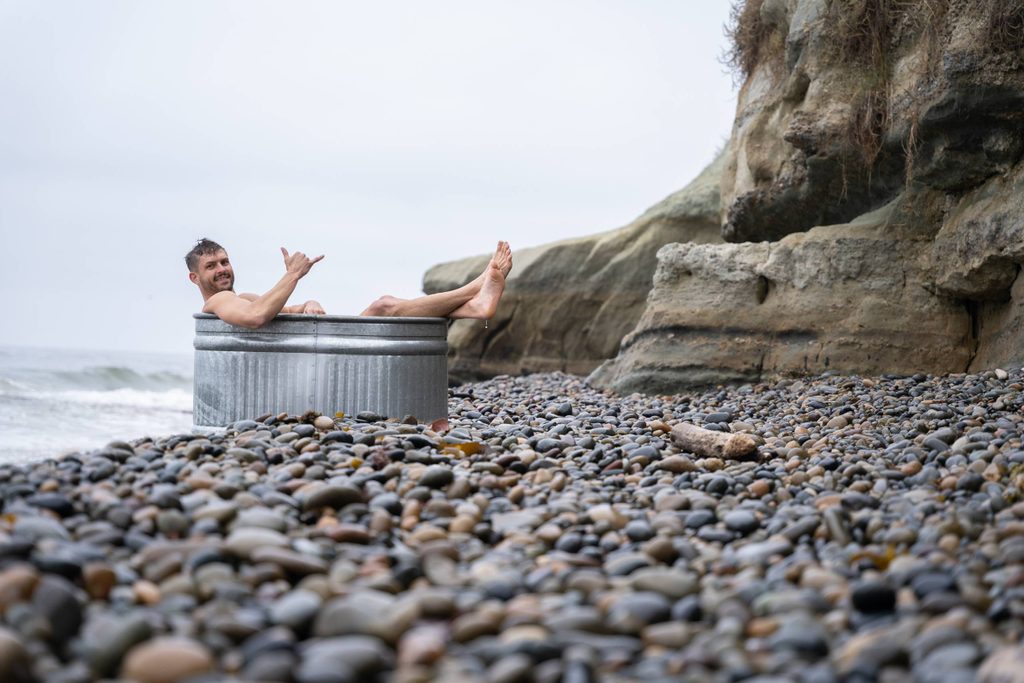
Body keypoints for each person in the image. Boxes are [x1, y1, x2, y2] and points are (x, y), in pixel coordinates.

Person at [185, 238, 512, 329]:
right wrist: (293, 275)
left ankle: (474, 305)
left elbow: (284, 310)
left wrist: (307, 304)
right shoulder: (217, 304)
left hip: (314, 363)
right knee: (384, 305)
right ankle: (475, 291)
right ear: (195, 278)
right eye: (211, 266)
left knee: (385, 304)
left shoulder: (243, 296)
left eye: (224, 261)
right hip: (315, 371)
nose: (222, 269)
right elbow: (256, 318)